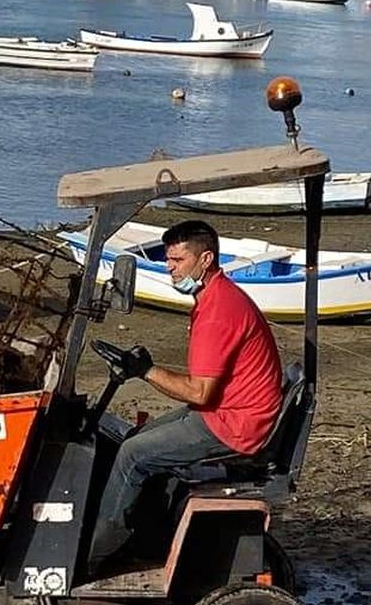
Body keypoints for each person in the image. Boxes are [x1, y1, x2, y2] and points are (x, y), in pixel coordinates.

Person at [88, 220, 283, 573]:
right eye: (169, 259)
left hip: (235, 423)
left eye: (177, 260)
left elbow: (199, 391)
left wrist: (145, 371)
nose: (169, 268)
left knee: (132, 454)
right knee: (131, 438)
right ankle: (143, 533)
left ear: (204, 259)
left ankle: (97, 555)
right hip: (227, 410)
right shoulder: (215, 297)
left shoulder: (219, 311)